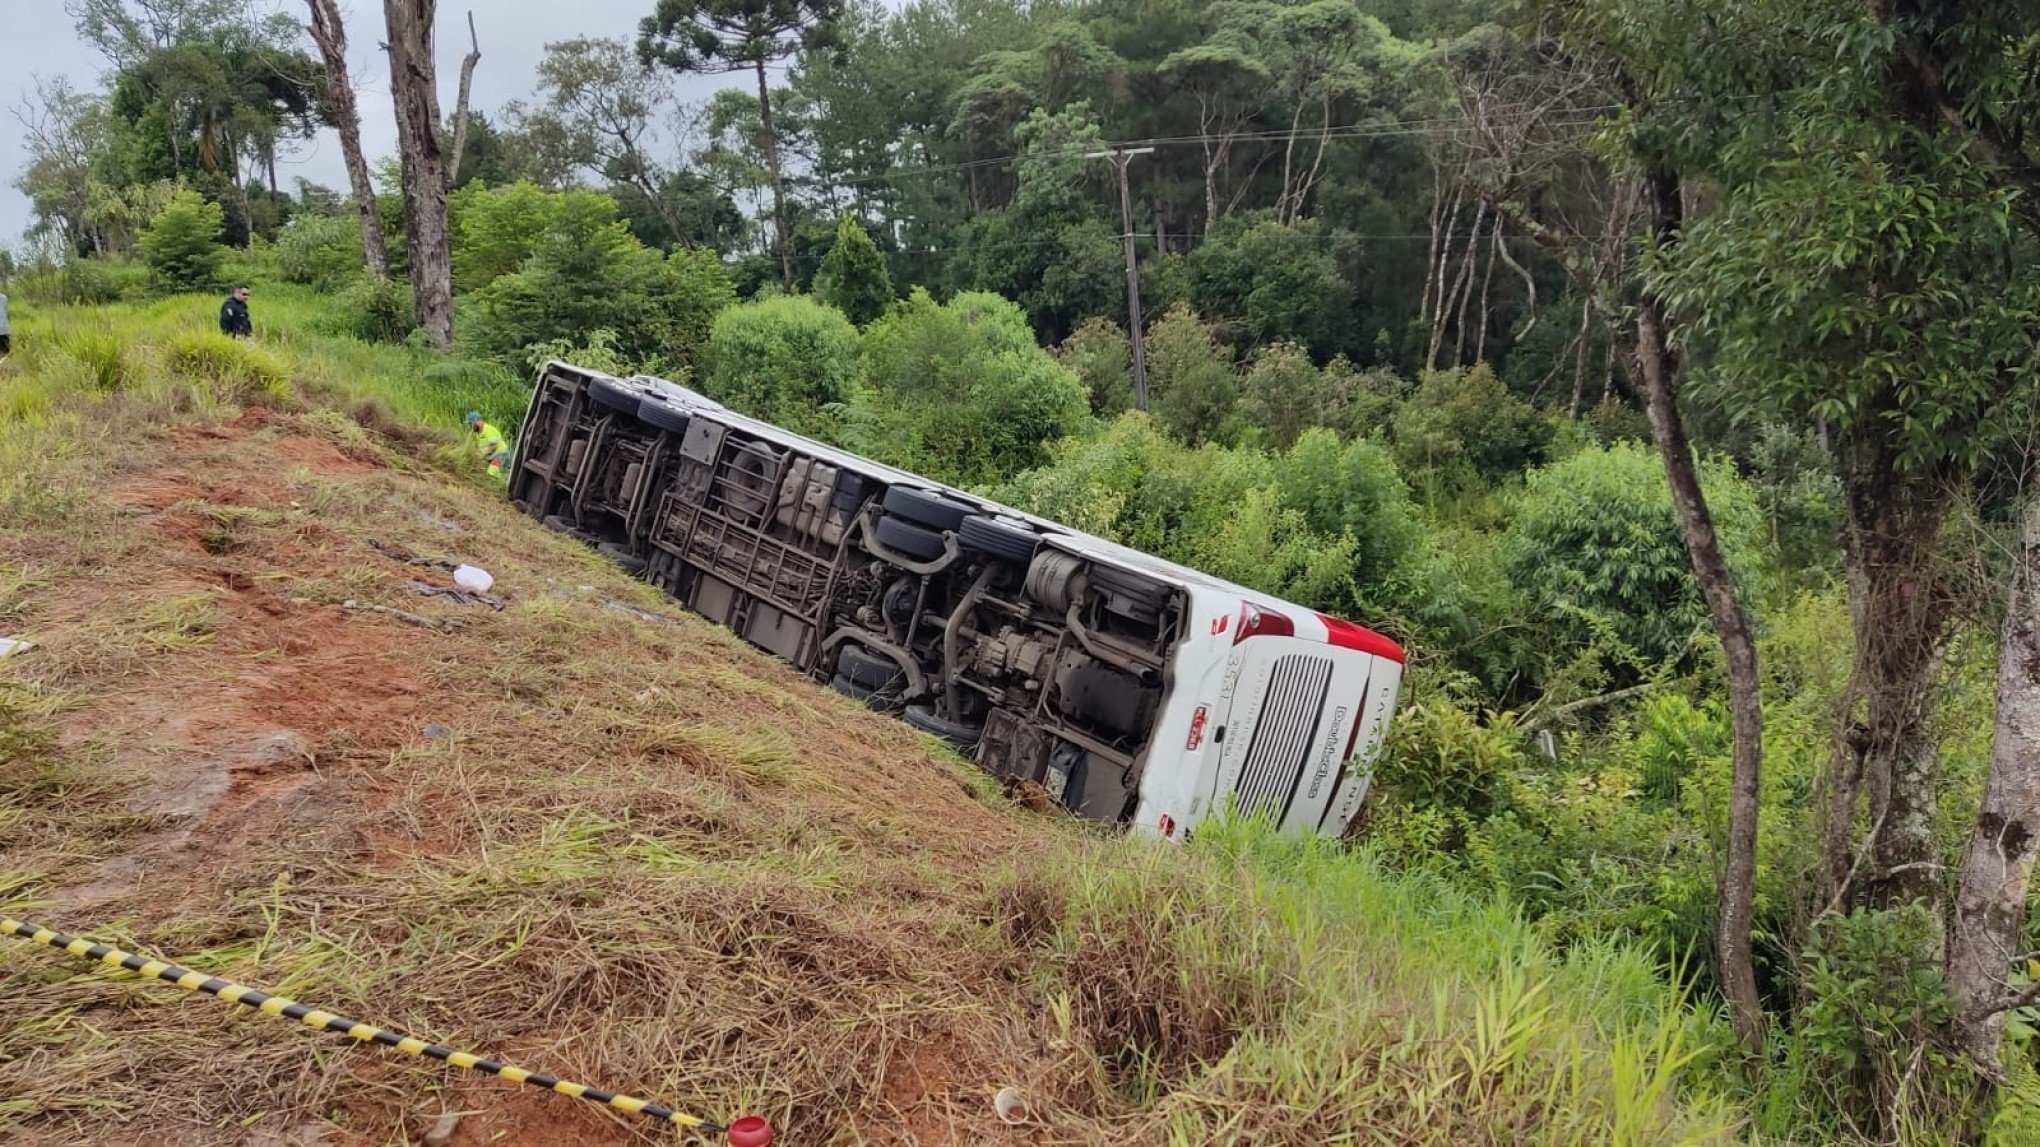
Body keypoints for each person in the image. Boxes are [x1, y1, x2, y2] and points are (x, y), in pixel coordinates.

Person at [465, 411, 510, 477]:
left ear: (477, 421)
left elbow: (493, 447)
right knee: (492, 473)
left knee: (491, 472)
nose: (470, 426)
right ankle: (504, 479)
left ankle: (502, 484)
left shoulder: (488, 430)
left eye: (470, 424)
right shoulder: (479, 433)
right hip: (493, 457)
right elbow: (483, 448)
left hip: (501, 455)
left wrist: (480, 456)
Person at [0, 292, 10, 356]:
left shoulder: (3, 298)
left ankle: (5, 354)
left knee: (5, 347)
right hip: (4, 326)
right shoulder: (3, 298)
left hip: (3, 326)